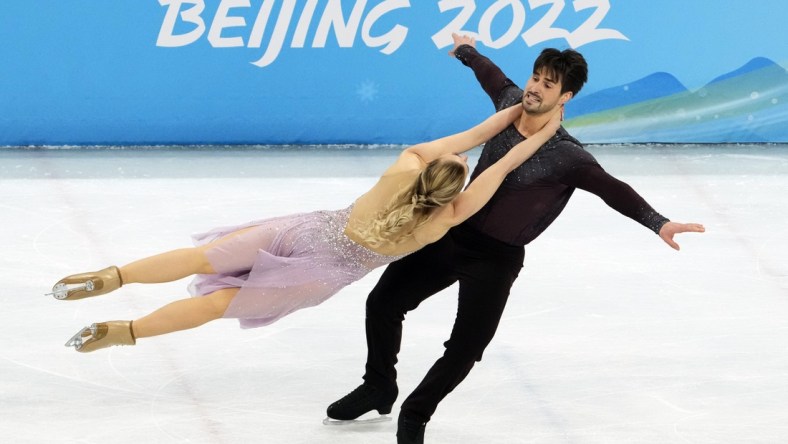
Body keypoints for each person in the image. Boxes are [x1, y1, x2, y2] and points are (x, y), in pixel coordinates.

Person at [326, 35, 706, 444]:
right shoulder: (510, 105)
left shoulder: (567, 156)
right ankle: (379, 385)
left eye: (548, 84)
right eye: (536, 77)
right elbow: (493, 77)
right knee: (383, 301)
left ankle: (415, 414)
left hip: (496, 258)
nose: (535, 87)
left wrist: (658, 222)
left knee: (467, 346)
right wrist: (467, 53)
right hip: (452, 231)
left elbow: (612, 188)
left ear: (566, 97)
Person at [49, 102, 563, 353]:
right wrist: (544, 133)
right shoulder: (442, 220)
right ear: (454, 192)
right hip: (324, 273)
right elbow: (501, 167)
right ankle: (121, 332)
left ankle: (108, 277)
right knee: (212, 307)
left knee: (200, 260)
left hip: (308, 231)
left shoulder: (405, 165)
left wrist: (517, 108)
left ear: (432, 165)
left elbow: (476, 135)